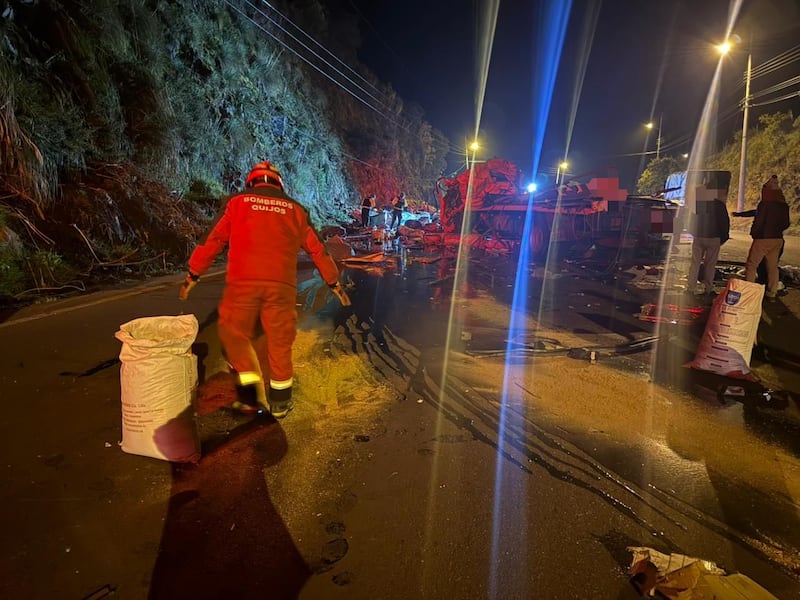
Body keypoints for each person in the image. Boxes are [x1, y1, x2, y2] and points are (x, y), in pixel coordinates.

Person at [178, 161, 351, 418]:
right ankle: (280, 403)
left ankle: (249, 399)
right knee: (279, 343)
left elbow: (212, 240)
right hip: (280, 288)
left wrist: (193, 274)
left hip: (243, 285)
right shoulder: (296, 210)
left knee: (236, 338)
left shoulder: (236, 203)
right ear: (279, 185)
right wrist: (333, 282)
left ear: (251, 182)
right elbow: (318, 250)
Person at [742, 175, 790, 302]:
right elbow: (786, 224)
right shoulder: (783, 205)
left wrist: (754, 233)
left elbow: (759, 222)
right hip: (777, 239)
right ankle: (772, 293)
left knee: (752, 265)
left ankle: (749, 292)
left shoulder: (765, 204)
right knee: (773, 267)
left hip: (763, 238)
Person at [686, 197, 730, 296]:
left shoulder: (698, 203)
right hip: (714, 237)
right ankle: (708, 289)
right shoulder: (719, 205)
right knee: (710, 265)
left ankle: (690, 288)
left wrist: (693, 233)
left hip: (699, 236)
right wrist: (723, 237)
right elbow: (724, 222)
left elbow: (691, 220)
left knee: (695, 263)